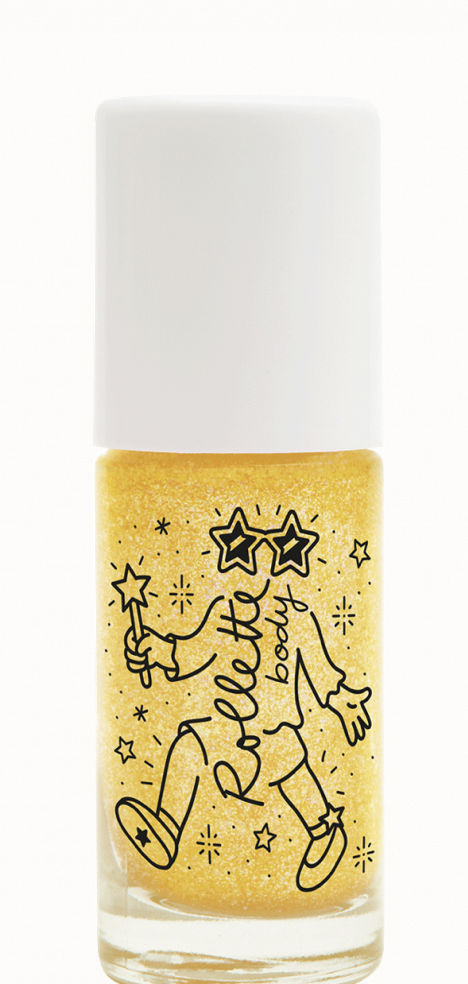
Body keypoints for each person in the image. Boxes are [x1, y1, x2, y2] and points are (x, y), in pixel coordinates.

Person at [116, 578, 372, 892]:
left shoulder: (296, 618)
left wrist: (343, 699)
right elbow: (194, 649)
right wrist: (159, 649)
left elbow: (319, 668)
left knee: (292, 771)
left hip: (275, 734)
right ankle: (166, 828)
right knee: (189, 747)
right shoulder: (224, 612)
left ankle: (324, 830)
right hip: (224, 733)